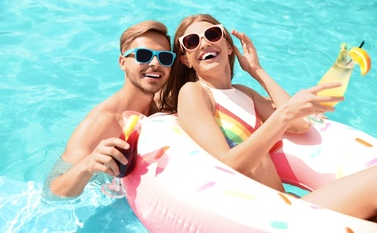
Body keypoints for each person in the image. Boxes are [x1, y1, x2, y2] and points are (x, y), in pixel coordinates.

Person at [159, 14, 377, 221]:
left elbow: (299, 124)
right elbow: (226, 165)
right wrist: (282, 116)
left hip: (290, 206)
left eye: (213, 35)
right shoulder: (193, 92)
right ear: (186, 60)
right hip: (269, 215)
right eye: (191, 41)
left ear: (228, 46)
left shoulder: (245, 92)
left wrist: (256, 70)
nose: (204, 43)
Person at [43, 20, 175, 199]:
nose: (155, 63)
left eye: (164, 57)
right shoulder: (103, 122)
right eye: (143, 55)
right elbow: (52, 192)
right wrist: (87, 165)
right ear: (123, 62)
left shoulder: (164, 103)